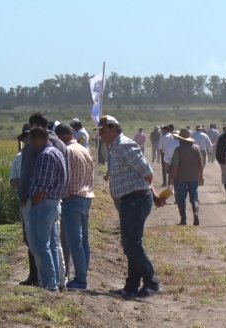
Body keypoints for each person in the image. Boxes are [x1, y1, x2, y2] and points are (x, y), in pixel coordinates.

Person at [96, 115, 164, 299]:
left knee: (132, 244)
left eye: (102, 131)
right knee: (130, 244)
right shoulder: (115, 148)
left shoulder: (125, 145)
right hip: (128, 201)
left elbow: (147, 172)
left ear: (113, 128)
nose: (100, 135)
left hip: (135, 200)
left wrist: (153, 193)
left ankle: (151, 282)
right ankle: (132, 286)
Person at [18, 113, 69, 289]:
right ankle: (56, 281)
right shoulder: (56, 151)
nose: (30, 144)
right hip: (53, 204)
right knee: (53, 245)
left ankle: (49, 283)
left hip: (44, 205)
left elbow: (42, 189)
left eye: (31, 140)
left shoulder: (46, 155)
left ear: (38, 138)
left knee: (42, 245)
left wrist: (35, 204)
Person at [55, 123, 95, 291]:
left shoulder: (68, 152)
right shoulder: (84, 149)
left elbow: (64, 178)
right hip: (86, 197)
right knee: (83, 240)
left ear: (62, 136)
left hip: (72, 198)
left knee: (74, 242)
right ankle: (82, 275)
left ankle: (80, 279)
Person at [169, 129, 204, 226]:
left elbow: (175, 166)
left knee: (181, 199)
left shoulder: (178, 150)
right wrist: (201, 177)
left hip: (180, 178)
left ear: (181, 139)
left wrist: (172, 178)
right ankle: (195, 212)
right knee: (194, 197)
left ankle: (183, 219)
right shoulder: (196, 148)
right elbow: (201, 164)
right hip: (194, 177)